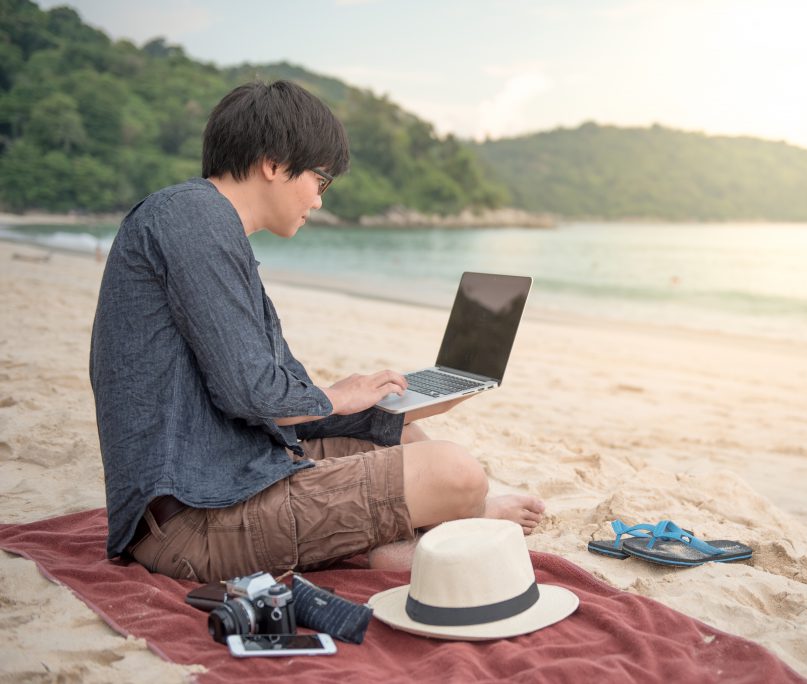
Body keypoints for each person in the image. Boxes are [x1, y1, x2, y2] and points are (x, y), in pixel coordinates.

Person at [89, 81, 545, 583]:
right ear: (274, 163)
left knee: (404, 437)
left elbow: (280, 407)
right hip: (193, 520)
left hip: (228, 471)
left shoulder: (212, 231)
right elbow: (253, 393)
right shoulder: (193, 218)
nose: (320, 202)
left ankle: (414, 539)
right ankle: (460, 525)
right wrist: (334, 396)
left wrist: (394, 405)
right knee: (457, 473)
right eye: (320, 180)